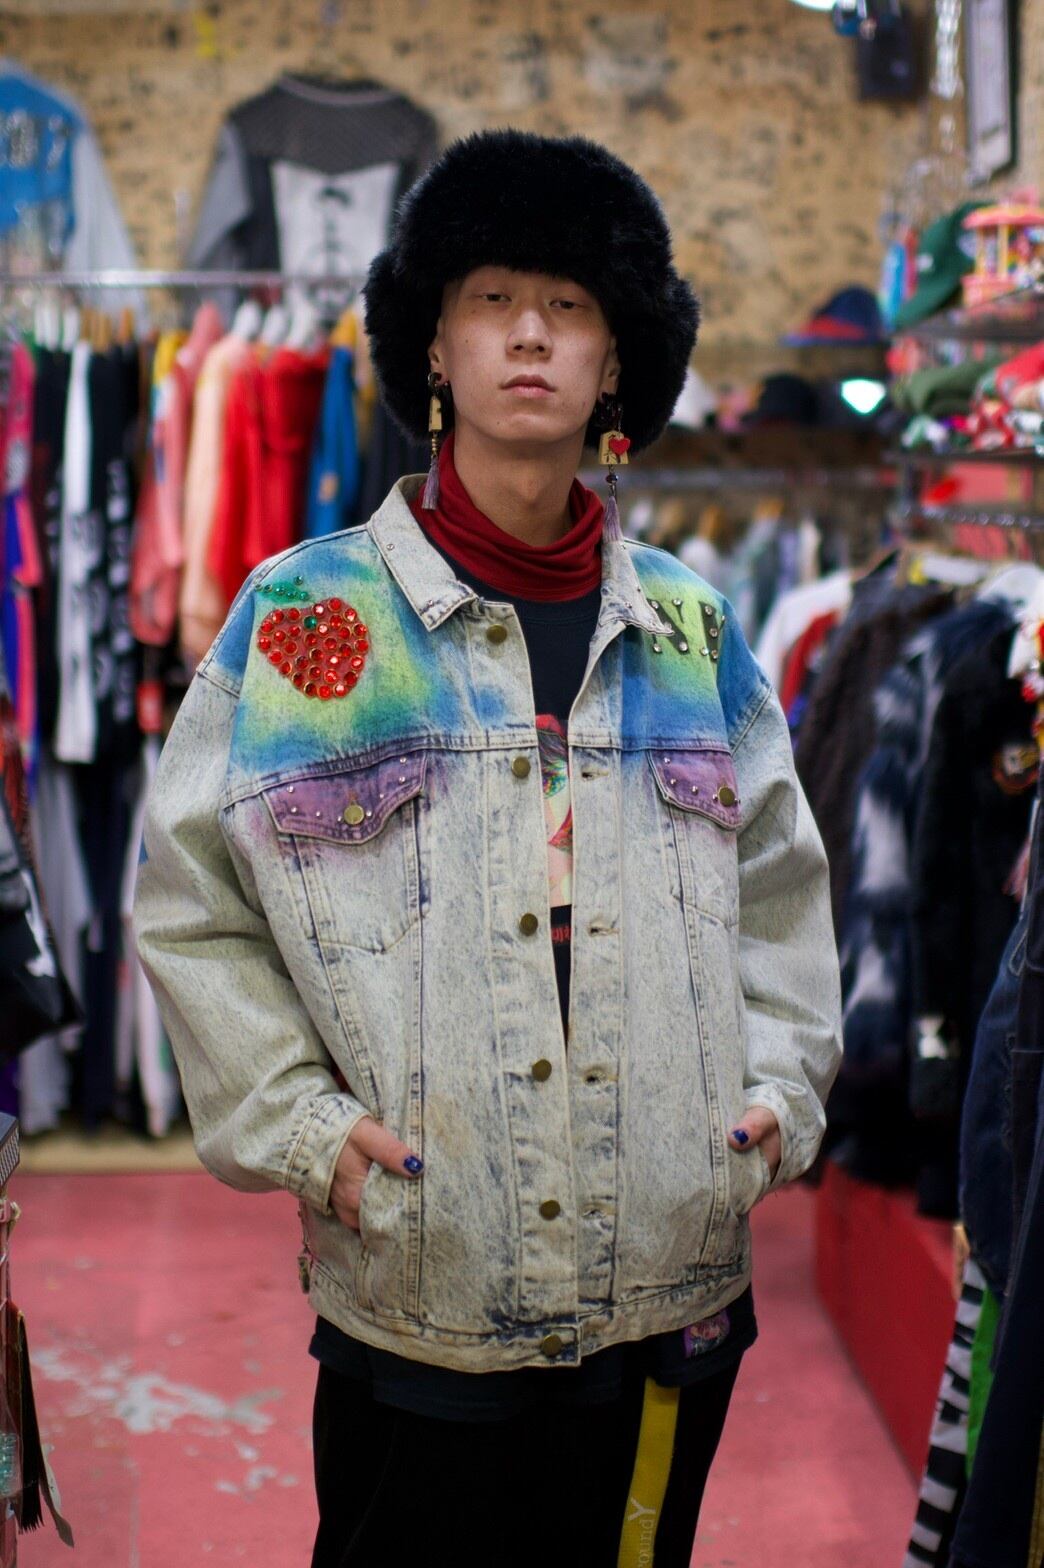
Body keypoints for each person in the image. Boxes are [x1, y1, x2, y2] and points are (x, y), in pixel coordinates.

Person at [133, 129, 843, 1568]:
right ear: (435, 348)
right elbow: (191, 907)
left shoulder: (693, 633)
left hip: (671, 1290)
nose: (531, 333)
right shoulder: (306, 624)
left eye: (570, 306)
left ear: (616, 360)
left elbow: (782, 890)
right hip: (423, 1291)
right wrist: (302, 1131)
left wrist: (780, 1092)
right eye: (494, 299)